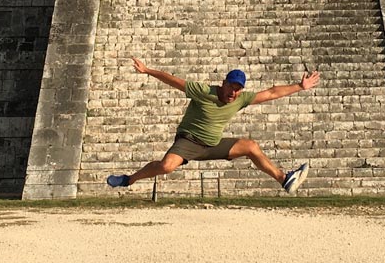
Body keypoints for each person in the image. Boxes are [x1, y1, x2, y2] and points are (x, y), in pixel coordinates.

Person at [106, 57, 320, 194]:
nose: (233, 93)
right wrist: (148, 70)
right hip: (189, 141)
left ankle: (284, 179)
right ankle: (128, 180)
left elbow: (271, 93)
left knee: (250, 146)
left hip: (213, 144)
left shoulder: (240, 99)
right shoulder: (203, 91)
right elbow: (173, 80)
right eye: (231, 87)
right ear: (223, 83)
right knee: (166, 167)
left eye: (238, 89)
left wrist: (299, 86)